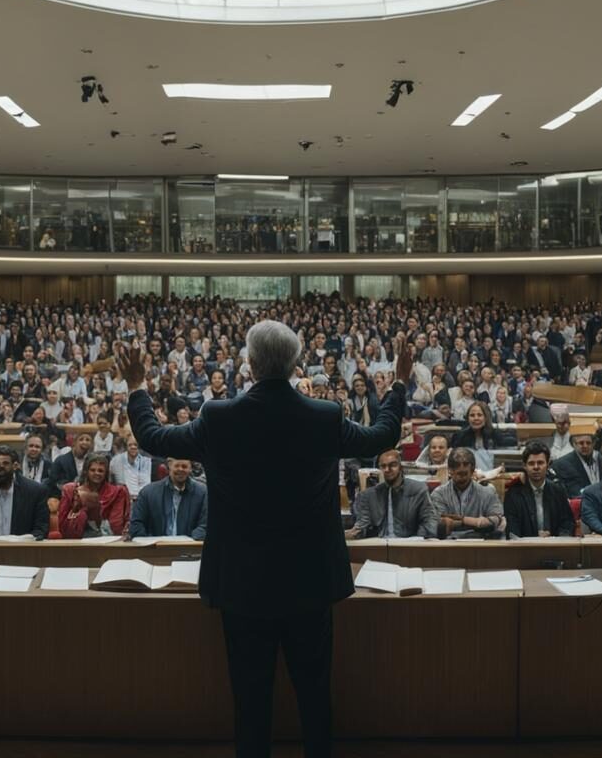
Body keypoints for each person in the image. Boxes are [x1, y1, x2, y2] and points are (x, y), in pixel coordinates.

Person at [119, 320, 407, 758]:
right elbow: (384, 435)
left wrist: (137, 384)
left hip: (242, 587)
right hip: (310, 585)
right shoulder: (324, 416)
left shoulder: (218, 417)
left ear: (249, 365)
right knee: (314, 699)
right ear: (294, 365)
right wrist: (400, 381)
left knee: (250, 705)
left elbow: (152, 437)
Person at [346, 449, 434, 539]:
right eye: (383, 466)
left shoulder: (418, 490)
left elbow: (429, 522)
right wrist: (350, 535)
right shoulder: (368, 496)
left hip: (410, 546)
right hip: (379, 546)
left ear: (400, 467)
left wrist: (417, 540)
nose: (387, 470)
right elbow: (361, 527)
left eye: (392, 465)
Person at [429, 448, 506, 539]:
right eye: (458, 474)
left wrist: (461, 521)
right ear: (450, 471)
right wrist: (478, 522)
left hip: (481, 544)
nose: (461, 478)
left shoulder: (488, 492)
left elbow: (496, 521)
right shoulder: (438, 494)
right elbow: (440, 526)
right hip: (448, 545)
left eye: (465, 474)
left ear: (473, 471)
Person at [504, 441, 575, 538]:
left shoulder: (558, 491)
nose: (536, 467)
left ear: (548, 464)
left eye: (540, 463)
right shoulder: (513, 494)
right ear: (524, 466)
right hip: (524, 548)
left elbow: (567, 523)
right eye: (531, 463)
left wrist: (556, 539)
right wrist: (535, 539)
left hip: (555, 547)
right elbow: (512, 529)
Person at [129, 458, 207, 540]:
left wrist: (188, 543)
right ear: (169, 465)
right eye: (177, 466)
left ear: (190, 468)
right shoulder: (147, 492)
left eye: (184, 466)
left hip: (189, 550)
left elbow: (206, 525)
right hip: (156, 550)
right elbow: (136, 524)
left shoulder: (202, 493)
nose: (180, 469)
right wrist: (152, 546)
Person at [57, 452, 130, 539]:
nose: (97, 473)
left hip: (108, 540)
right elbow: (62, 525)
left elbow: (116, 524)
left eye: (100, 470)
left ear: (106, 473)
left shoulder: (117, 492)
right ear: (86, 471)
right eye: (92, 470)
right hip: (77, 541)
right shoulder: (71, 491)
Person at [46, 432, 93, 503]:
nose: (84, 442)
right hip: (63, 499)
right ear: (74, 443)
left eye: (87, 440)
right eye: (81, 439)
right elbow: (52, 483)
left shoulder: (93, 461)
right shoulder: (60, 461)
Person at [550, 430, 600, 497]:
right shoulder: (562, 464)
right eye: (581, 443)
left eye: (588, 443)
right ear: (574, 444)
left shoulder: (601, 459)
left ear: (593, 444)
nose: (585, 446)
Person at [450, 401, 515, 450]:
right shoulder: (460, 436)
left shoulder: (494, 434)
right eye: (472, 415)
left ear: (486, 417)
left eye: (479, 415)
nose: (476, 418)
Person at [109, 435, 152, 502]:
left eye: (135, 445)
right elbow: (112, 479)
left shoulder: (146, 461)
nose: (133, 447)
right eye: (130, 445)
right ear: (126, 446)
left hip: (142, 498)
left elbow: (146, 483)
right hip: (123, 498)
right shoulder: (116, 460)